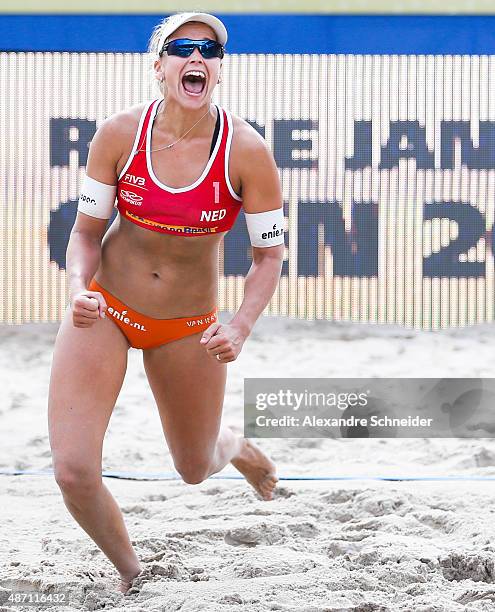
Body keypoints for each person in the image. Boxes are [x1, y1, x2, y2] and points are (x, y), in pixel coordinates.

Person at [47, 11, 285, 593]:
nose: (197, 56)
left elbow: (268, 257)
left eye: (210, 49)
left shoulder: (246, 151)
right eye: (182, 47)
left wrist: (241, 326)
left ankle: (234, 447)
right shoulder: (120, 134)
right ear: (159, 67)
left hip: (187, 327)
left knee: (194, 469)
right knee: (74, 472)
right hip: (106, 310)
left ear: (219, 71)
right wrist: (79, 288)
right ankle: (133, 576)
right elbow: (84, 233)